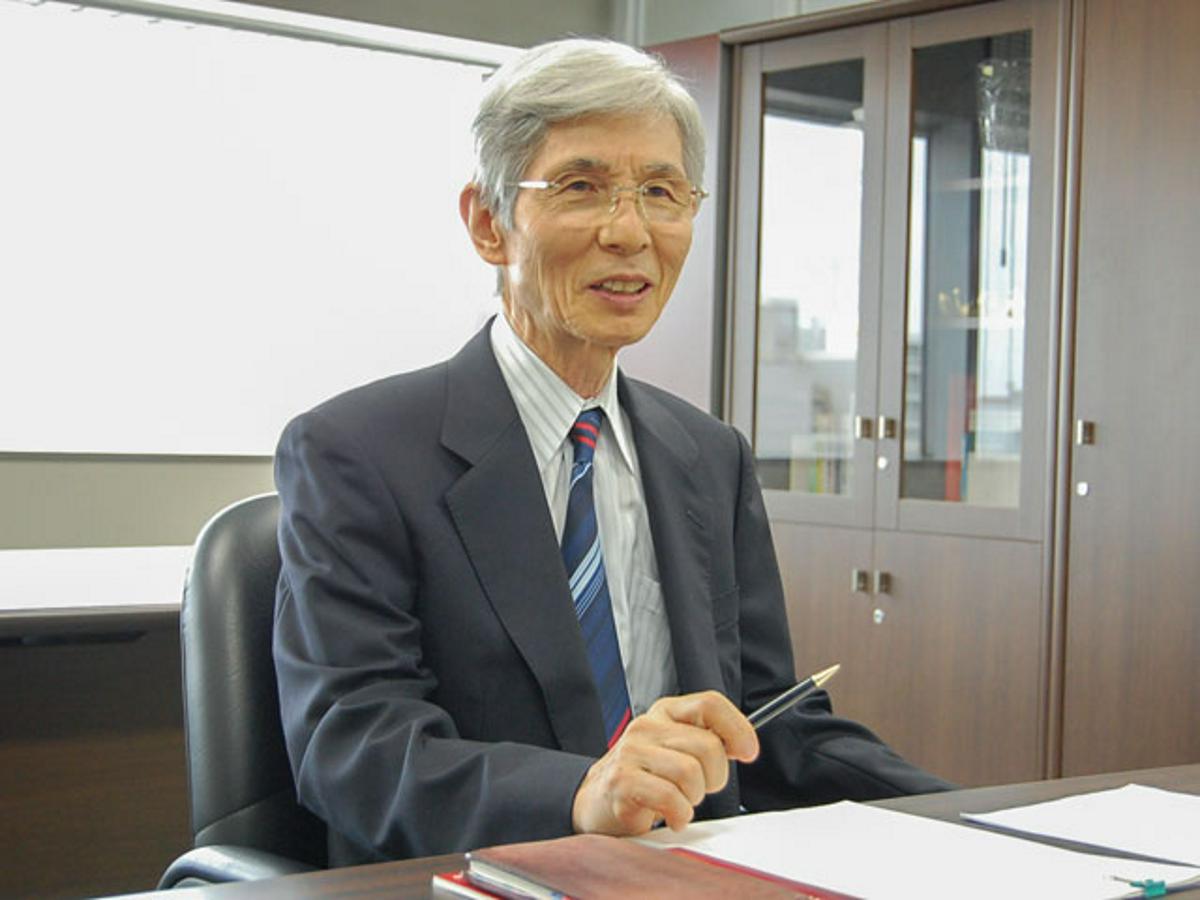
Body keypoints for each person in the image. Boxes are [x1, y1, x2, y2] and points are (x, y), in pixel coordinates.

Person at [273, 37, 952, 867]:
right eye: (581, 187)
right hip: (482, 876)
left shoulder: (709, 456)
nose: (629, 232)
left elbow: (769, 720)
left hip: (688, 874)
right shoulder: (357, 452)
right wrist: (581, 793)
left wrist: (982, 818)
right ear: (488, 224)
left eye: (661, 193)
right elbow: (354, 745)